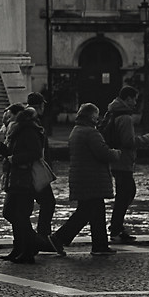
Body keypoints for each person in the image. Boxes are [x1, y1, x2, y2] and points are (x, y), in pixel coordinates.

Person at [52, 104, 115, 254]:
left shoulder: (76, 131)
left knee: (95, 212)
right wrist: (116, 154)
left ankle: (100, 245)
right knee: (86, 212)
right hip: (92, 179)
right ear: (92, 117)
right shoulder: (90, 133)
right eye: (96, 115)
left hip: (82, 178)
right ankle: (58, 239)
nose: (98, 118)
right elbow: (103, 153)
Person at [0, 102, 45, 263]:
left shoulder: (28, 131)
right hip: (16, 176)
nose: (7, 119)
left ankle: (27, 249)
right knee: (12, 213)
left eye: (11, 117)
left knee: (18, 214)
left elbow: (35, 153)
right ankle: (21, 248)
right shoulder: (20, 131)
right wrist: (4, 151)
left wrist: (14, 158)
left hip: (24, 178)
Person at [103, 84, 142, 245]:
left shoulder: (113, 112)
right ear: (128, 98)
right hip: (123, 160)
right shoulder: (125, 117)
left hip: (116, 160)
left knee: (124, 193)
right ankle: (116, 228)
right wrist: (145, 139)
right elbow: (128, 141)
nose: (135, 103)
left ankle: (117, 226)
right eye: (134, 99)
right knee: (126, 193)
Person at [26, 90, 56, 252]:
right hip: (37, 171)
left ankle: (38, 237)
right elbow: (39, 151)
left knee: (35, 204)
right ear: (39, 106)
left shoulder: (28, 122)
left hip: (33, 171)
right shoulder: (34, 124)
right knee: (48, 202)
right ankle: (42, 236)